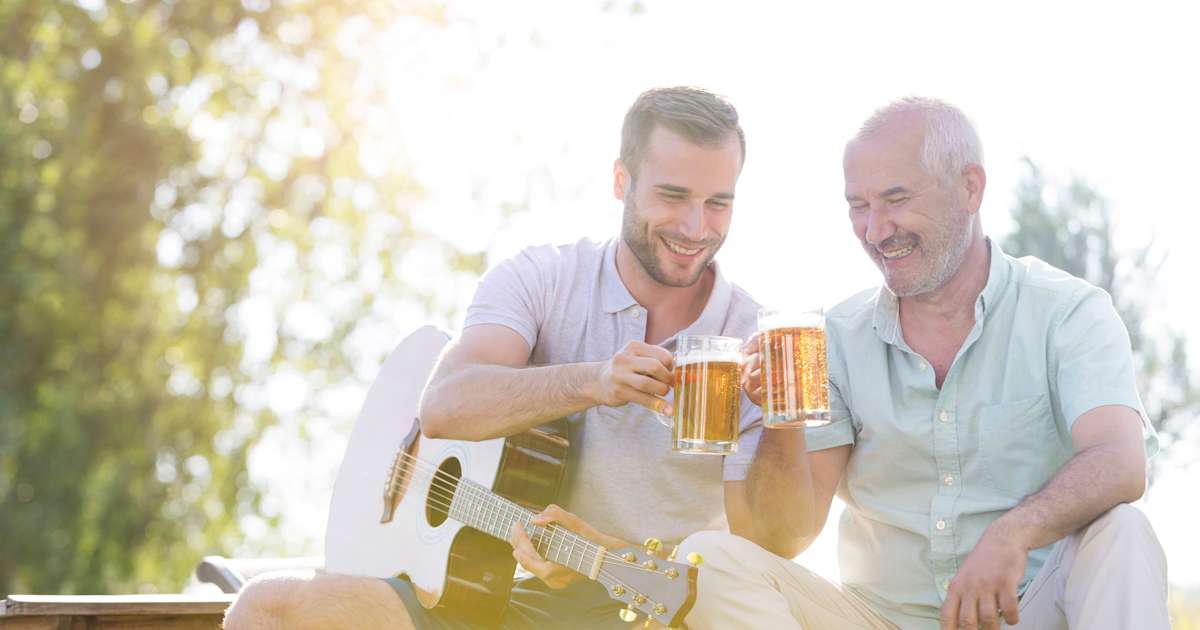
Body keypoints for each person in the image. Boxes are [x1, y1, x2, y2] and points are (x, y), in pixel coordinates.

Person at [224, 86, 813, 629]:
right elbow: (445, 406)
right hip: (492, 592)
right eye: (673, 195)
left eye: (718, 203)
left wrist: (783, 421)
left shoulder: (749, 338)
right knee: (268, 608)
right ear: (620, 181)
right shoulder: (543, 278)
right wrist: (594, 380)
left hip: (645, 605)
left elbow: (770, 541)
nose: (695, 226)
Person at [677, 97, 1169, 630]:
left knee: (1124, 531)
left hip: (1030, 611)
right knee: (708, 561)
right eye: (858, 206)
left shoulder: (1067, 312)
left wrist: (1014, 531)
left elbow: (1121, 460)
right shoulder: (836, 339)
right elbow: (783, 539)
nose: (875, 229)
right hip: (880, 619)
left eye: (896, 198)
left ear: (970, 188)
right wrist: (782, 418)